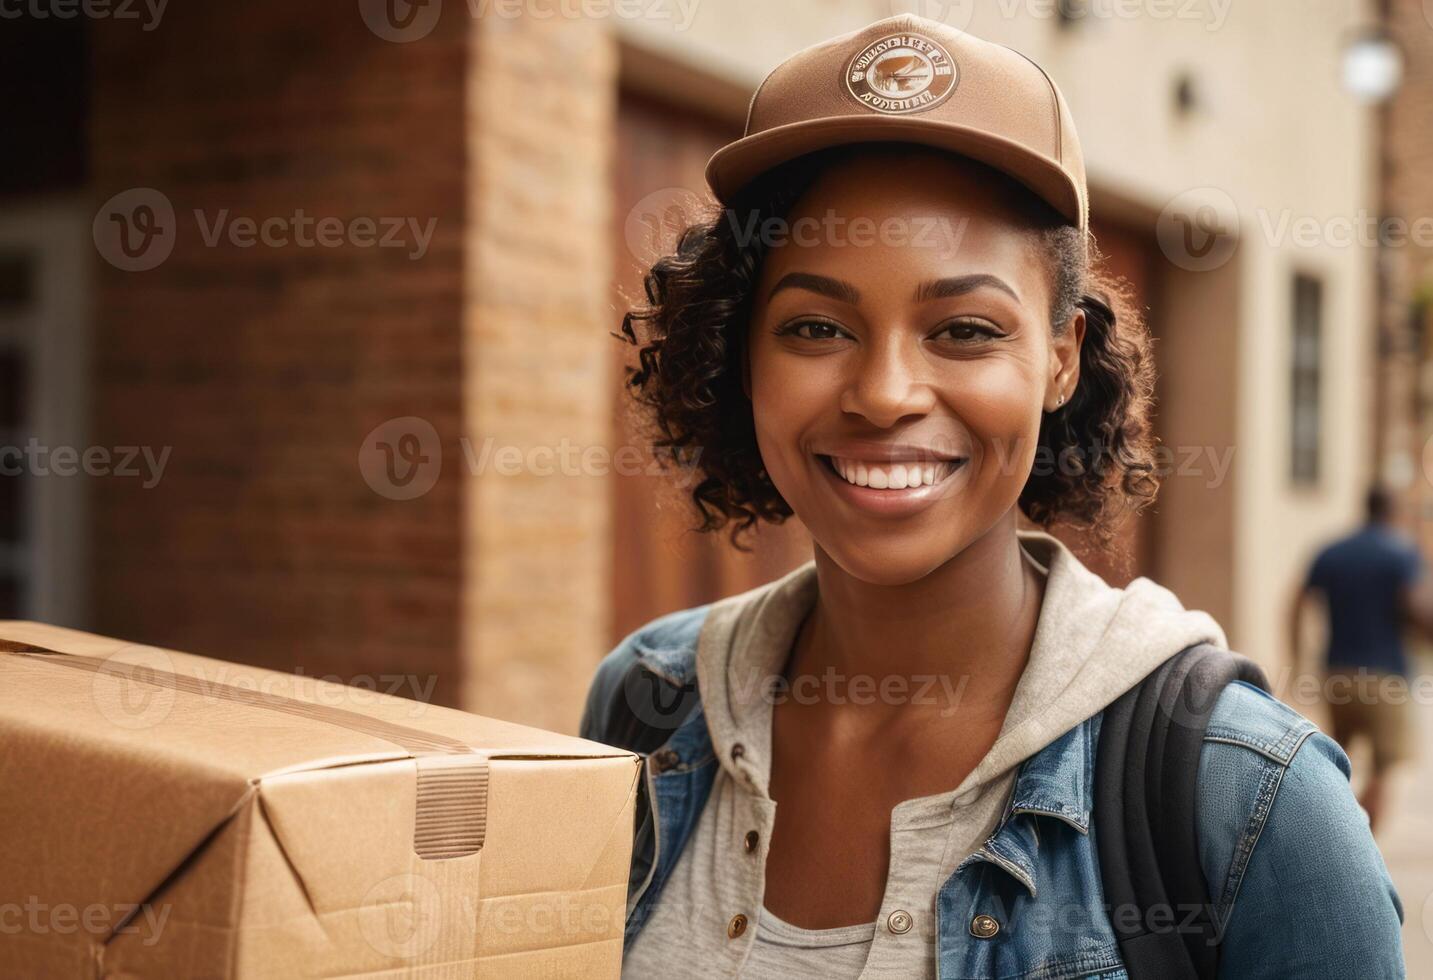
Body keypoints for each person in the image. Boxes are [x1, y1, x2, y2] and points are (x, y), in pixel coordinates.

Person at [583, 15, 1405, 978]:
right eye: (815, 327)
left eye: (965, 330)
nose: (885, 392)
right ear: (741, 354)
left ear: (1060, 360)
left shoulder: (1246, 799)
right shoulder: (648, 705)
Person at [1292, 485, 1428, 833]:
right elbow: (1415, 607)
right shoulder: (1402, 553)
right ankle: (1356, 842)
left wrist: (1297, 657)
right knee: (1383, 771)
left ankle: (1331, 828)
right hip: (1386, 677)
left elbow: (1296, 603)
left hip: (1337, 673)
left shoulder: (1332, 551)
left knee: (1338, 764)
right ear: (1393, 510)